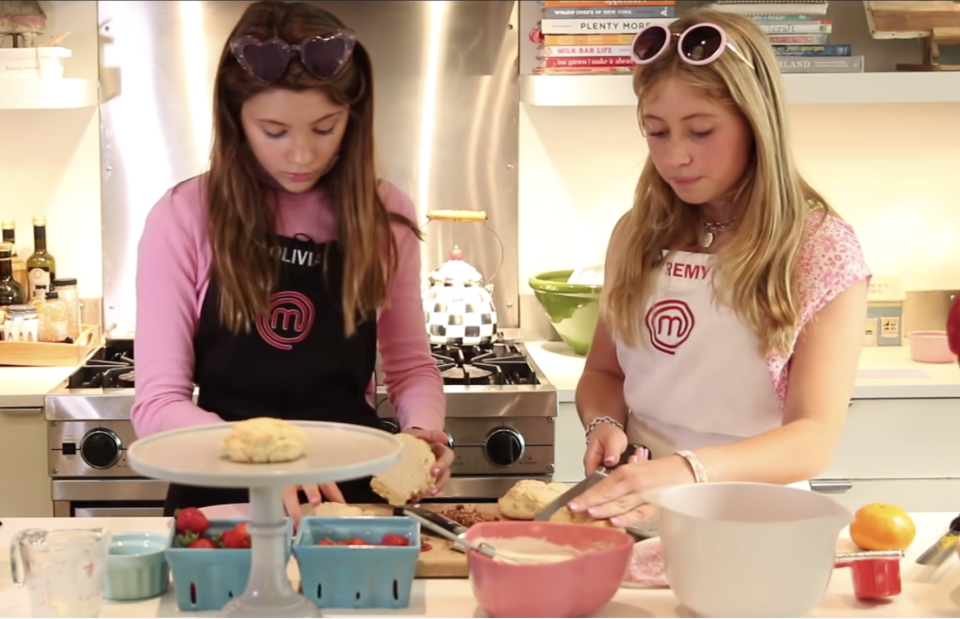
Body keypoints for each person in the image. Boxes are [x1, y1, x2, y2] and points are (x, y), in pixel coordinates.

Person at [130, 1, 453, 523]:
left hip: (351, 501)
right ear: (236, 121)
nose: (301, 154)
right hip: (222, 501)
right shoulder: (184, 216)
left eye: (324, 128)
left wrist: (422, 432)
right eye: (274, 132)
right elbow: (157, 404)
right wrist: (267, 467)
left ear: (354, 116)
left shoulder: (384, 212)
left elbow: (411, 367)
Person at [568, 9, 872, 527]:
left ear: (757, 124)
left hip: (751, 520)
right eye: (657, 132)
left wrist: (684, 470)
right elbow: (604, 372)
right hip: (634, 509)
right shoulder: (636, 234)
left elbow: (813, 436)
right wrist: (603, 422)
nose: (676, 157)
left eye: (701, 131)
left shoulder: (821, 249)